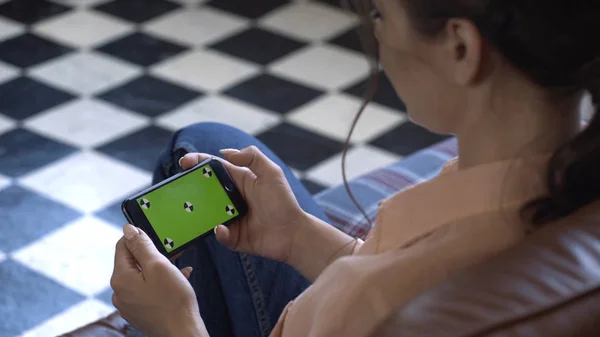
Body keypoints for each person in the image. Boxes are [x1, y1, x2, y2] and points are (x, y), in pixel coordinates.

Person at [109, 0, 600, 336]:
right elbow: (403, 265)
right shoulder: (559, 174)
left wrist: (178, 326)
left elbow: (387, 287)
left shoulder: (374, 304)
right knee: (210, 143)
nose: (378, 35)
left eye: (380, 14)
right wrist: (298, 236)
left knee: (191, 150)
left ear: (460, 48)